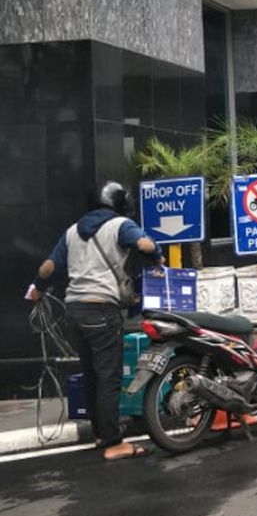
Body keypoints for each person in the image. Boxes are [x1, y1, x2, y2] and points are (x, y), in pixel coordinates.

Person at [25, 182, 163, 461]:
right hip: (102, 310)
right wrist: (156, 257)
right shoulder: (121, 225)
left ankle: (101, 433)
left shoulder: (72, 231)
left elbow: (48, 267)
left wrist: (37, 289)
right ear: (119, 203)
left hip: (74, 311)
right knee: (108, 377)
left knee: (91, 376)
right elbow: (143, 244)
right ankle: (114, 443)